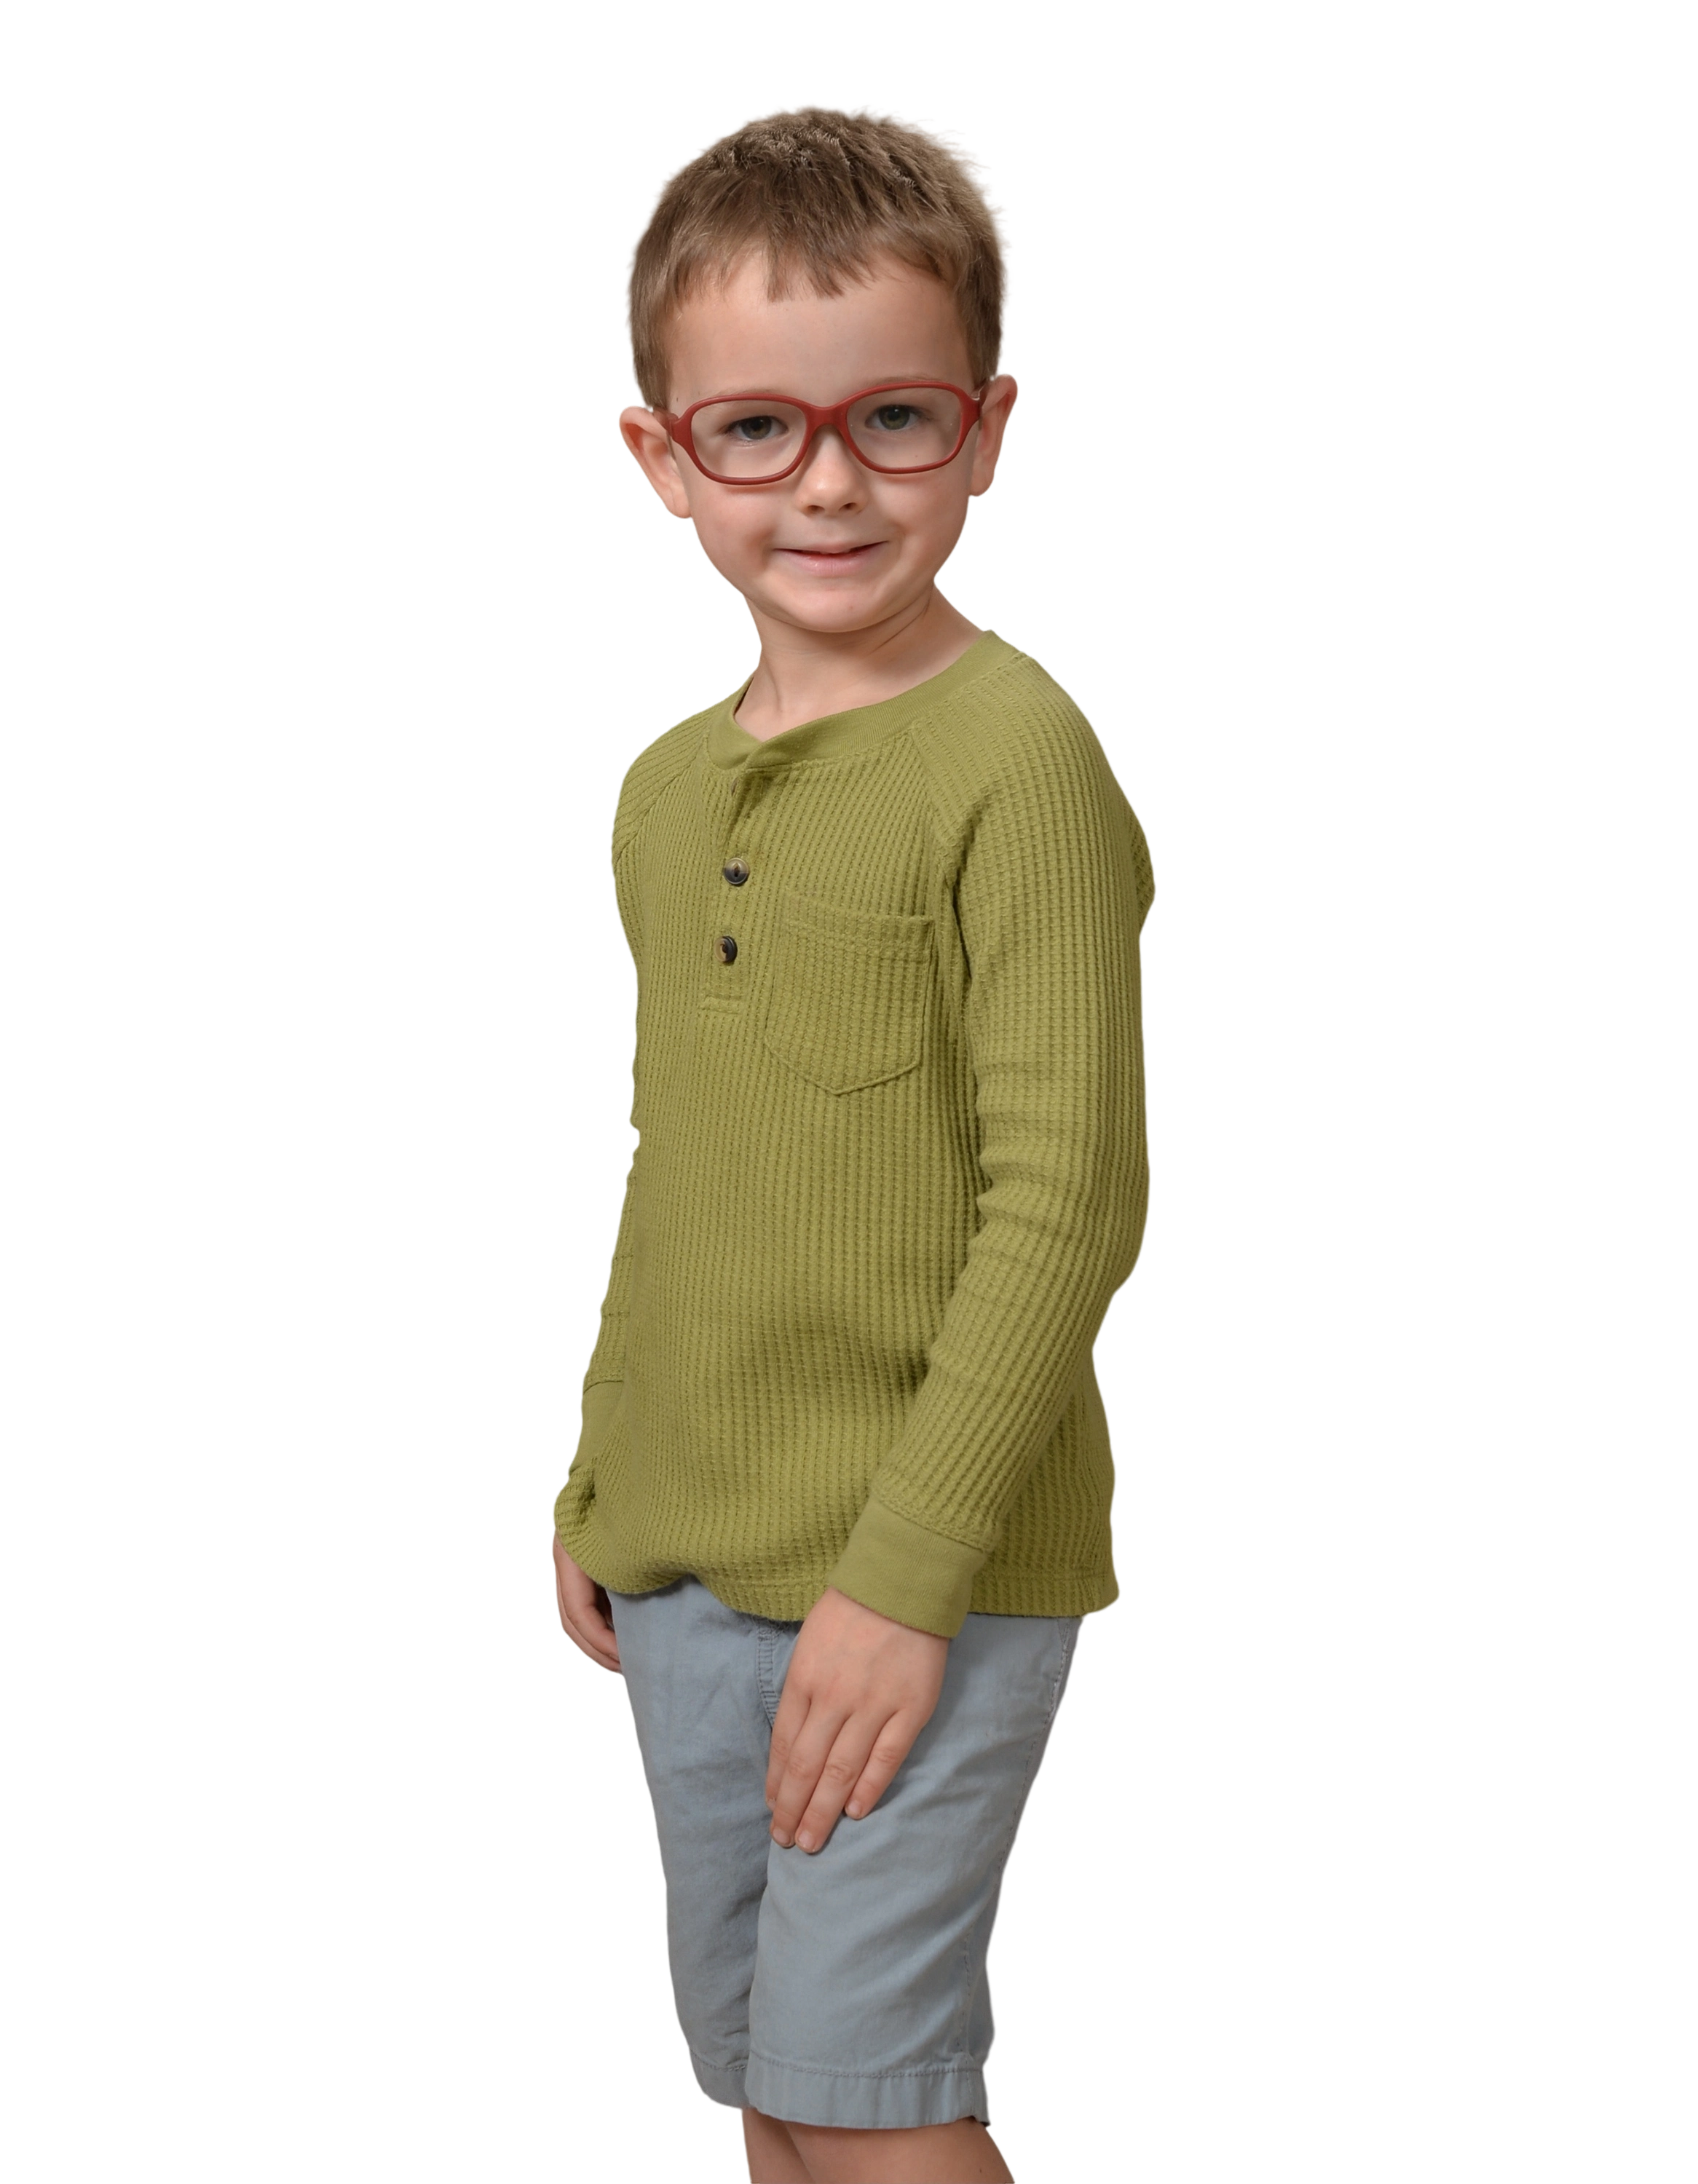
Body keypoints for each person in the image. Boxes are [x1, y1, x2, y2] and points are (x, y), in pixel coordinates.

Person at [549, 98, 1155, 2184]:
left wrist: (904, 1587)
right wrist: (602, 1467)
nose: (829, 482)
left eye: (893, 419)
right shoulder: (662, 788)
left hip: (926, 1567)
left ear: (987, 431)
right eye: (758, 430)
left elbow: (1066, 1209)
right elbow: (680, 1160)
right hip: (689, 1554)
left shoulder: (1020, 763)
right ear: (664, 459)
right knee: (771, 2094)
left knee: (866, 2100)